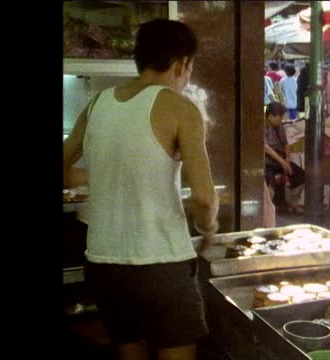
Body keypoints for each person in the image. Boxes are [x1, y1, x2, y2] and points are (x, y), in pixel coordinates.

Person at [63, 19, 219, 360]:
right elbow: (204, 197)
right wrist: (208, 228)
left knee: (129, 350)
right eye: (189, 69)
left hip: (104, 265)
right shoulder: (181, 108)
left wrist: (100, 178)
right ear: (181, 65)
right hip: (160, 264)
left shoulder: (96, 104)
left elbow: (65, 168)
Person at [264, 102, 305, 214]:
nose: (281, 120)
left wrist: (287, 158)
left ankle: (293, 204)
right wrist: (282, 163)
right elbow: (266, 149)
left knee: (301, 175)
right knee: (268, 180)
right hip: (267, 162)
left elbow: (285, 144)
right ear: (270, 116)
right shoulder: (262, 127)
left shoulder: (280, 127)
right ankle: (268, 210)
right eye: (279, 117)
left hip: (280, 159)